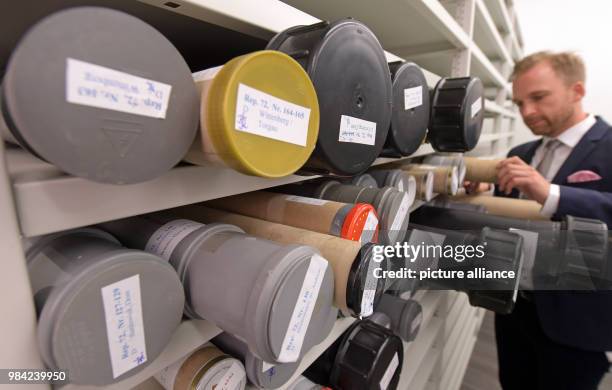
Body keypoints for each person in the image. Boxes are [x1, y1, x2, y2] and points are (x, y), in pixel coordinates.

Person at [466, 51, 612, 389]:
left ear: (576, 91)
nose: (527, 112)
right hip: (515, 307)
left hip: (575, 321)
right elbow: (517, 206)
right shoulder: (525, 152)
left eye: (538, 97)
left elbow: (548, 197)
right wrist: (487, 187)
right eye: (519, 103)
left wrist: (552, 193)